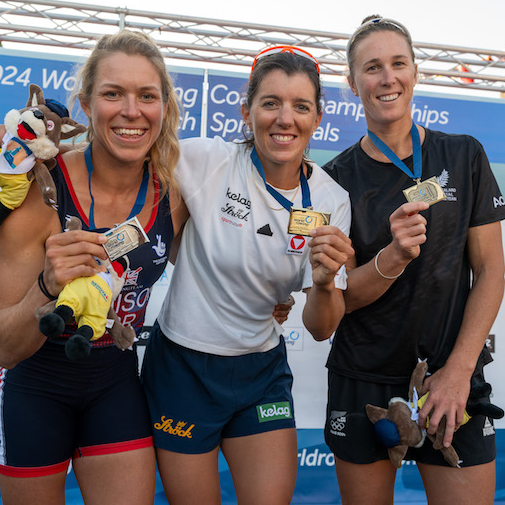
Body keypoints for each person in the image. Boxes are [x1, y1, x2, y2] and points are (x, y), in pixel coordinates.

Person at [140, 46, 354, 505]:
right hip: (183, 366)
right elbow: (115, 159)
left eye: (300, 106)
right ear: (247, 110)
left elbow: (320, 329)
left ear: (317, 118)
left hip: (261, 371)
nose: (285, 119)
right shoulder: (204, 160)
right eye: (270, 103)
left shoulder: (331, 199)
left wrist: (320, 283)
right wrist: (23, 150)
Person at [0, 30, 185, 505]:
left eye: (146, 96)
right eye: (113, 94)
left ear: (164, 108)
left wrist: (278, 295)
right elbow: (2, 346)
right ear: (86, 104)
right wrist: (48, 286)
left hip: (114, 381)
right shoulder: (37, 191)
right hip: (33, 385)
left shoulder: (175, 193)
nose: (131, 111)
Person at [322, 16, 505, 505]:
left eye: (397, 63)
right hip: (363, 378)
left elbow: (490, 270)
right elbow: (337, 301)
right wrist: (394, 256)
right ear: (352, 84)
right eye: (372, 67)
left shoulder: (464, 155)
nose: (388, 78)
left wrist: (458, 371)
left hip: (451, 376)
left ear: (414, 71)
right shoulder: (333, 179)